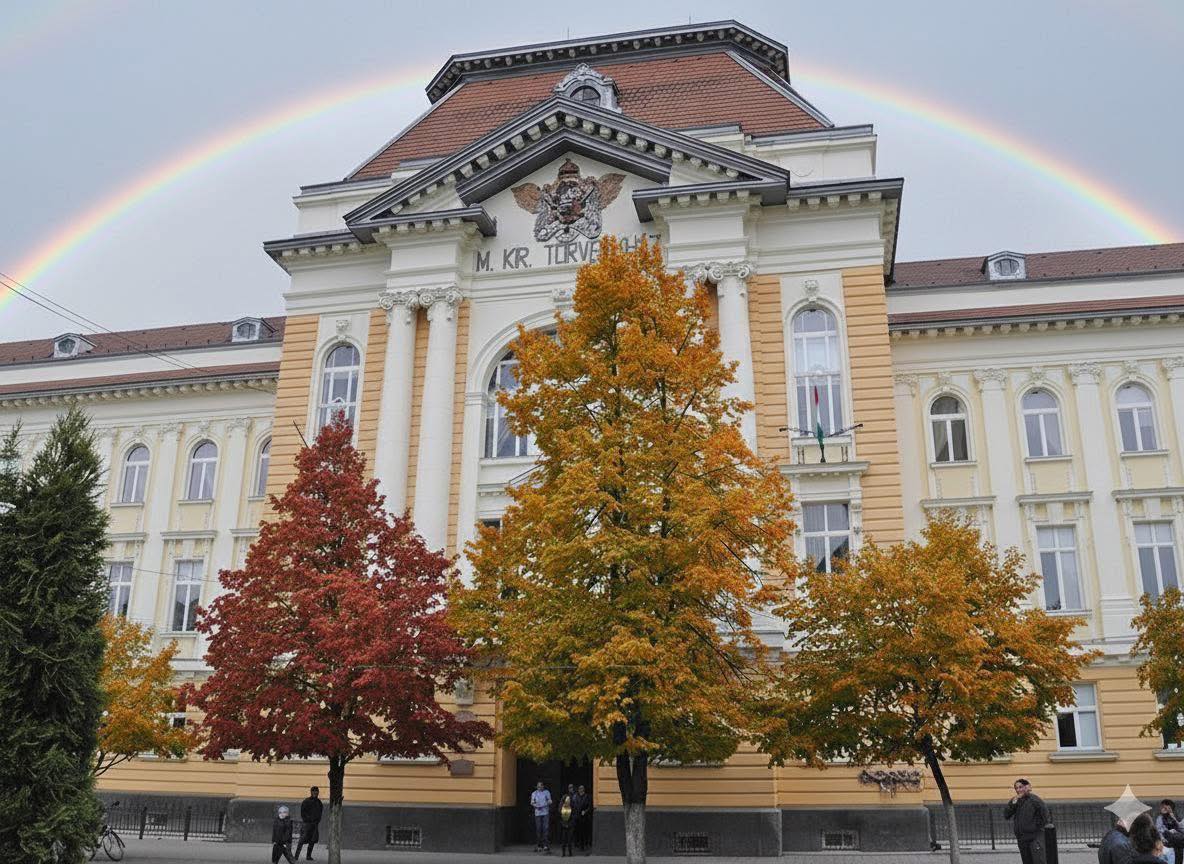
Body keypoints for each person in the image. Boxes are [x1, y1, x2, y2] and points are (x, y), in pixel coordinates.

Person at [1004, 778, 1051, 864]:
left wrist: (1036, 829)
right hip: (1022, 838)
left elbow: (1046, 817)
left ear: (1027, 787)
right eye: (1016, 788)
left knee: (1038, 861)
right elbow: (1006, 815)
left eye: (1020, 787)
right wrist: (1013, 803)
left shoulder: (1035, 800)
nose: (1018, 790)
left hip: (1034, 838)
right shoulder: (1015, 800)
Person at [294, 786, 324, 861]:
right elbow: (303, 813)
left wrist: (317, 821)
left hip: (315, 824)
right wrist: (307, 820)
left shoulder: (319, 802)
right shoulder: (306, 801)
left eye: (316, 791)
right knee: (302, 840)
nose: (315, 793)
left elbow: (320, 812)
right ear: (311, 792)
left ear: (318, 793)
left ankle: (308, 856)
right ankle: (296, 856)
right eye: (314, 791)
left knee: (312, 841)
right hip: (307, 824)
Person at [530, 780, 553, 853]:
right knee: (539, 829)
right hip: (537, 813)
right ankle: (539, 845)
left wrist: (545, 804)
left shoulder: (547, 792)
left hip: (545, 812)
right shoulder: (534, 793)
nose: (539, 787)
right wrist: (536, 805)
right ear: (537, 787)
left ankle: (546, 845)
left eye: (541, 786)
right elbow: (532, 802)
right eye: (538, 786)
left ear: (543, 786)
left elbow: (550, 801)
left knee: (545, 829)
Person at [572, 784, 591, 853]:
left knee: (583, 832)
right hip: (576, 816)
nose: (581, 789)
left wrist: (585, 811)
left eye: (582, 788)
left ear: (584, 789)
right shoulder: (575, 796)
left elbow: (589, 806)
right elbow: (573, 805)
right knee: (576, 831)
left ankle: (583, 846)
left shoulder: (587, 796)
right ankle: (576, 844)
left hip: (584, 817)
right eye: (580, 788)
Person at [558, 786, 576, 857]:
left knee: (570, 838)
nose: (571, 789)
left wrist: (573, 819)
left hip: (571, 821)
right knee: (564, 838)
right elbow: (559, 809)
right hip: (564, 821)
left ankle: (570, 853)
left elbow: (575, 809)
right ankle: (563, 853)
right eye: (570, 788)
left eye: (572, 788)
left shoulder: (574, 798)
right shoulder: (564, 797)